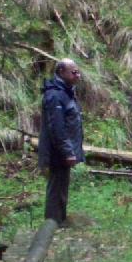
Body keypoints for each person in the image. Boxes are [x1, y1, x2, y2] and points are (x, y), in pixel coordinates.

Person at [38, 58, 85, 226]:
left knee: (61, 189)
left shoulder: (64, 93)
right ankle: (52, 225)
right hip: (57, 153)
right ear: (61, 72)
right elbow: (57, 128)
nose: (77, 75)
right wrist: (67, 151)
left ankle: (59, 223)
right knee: (56, 190)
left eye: (78, 72)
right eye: (73, 72)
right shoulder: (55, 95)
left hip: (62, 152)